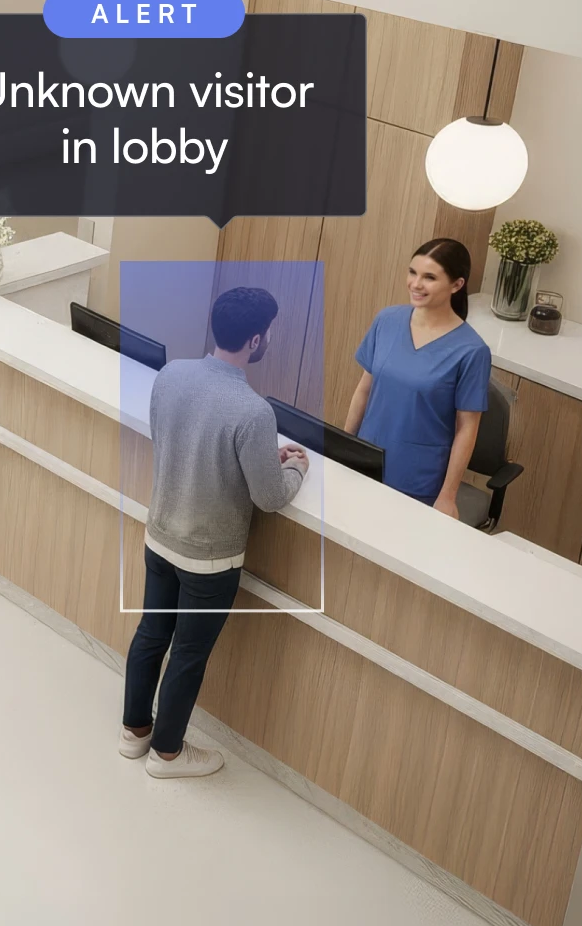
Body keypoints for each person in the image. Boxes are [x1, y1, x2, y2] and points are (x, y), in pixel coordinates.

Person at [120, 286, 309, 779]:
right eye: (269, 332)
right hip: (208, 560)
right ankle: (167, 754)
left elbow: (184, 440)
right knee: (188, 654)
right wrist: (294, 469)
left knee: (151, 633)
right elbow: (270, 497)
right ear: (256, 340)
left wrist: (260, 456)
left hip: (161, 534)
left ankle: (134, 732)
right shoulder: (253, 411)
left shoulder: (171, 375)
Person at [343, 239, 491, 515]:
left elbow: (467, 429)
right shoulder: (387, 320)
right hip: (364, 459)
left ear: (457, 285)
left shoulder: (472, 351)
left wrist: (448, 495)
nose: (415, 284)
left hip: (416, 478)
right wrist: (342, 446)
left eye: (429, 277)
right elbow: (364, 389)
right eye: (413, 272)